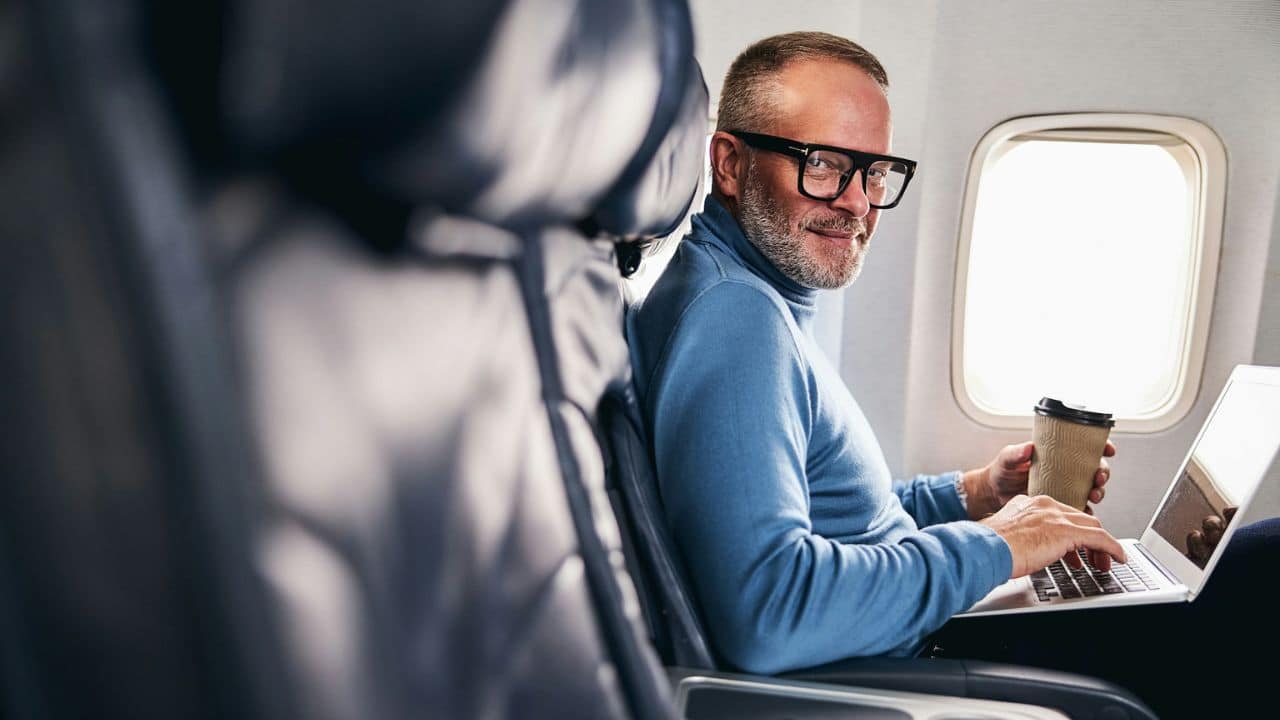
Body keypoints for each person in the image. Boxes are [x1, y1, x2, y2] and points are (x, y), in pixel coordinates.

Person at [626, 31, 1278, 717]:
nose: (858, 203)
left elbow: (839, 526)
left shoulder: (756, 300)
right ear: (728, 163)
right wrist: (998, 544)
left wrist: (972, 494)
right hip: (909, 666)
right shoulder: (736, 319)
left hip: (912, 627)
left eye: (875, 172)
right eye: (823, 164)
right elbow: (769, 611)